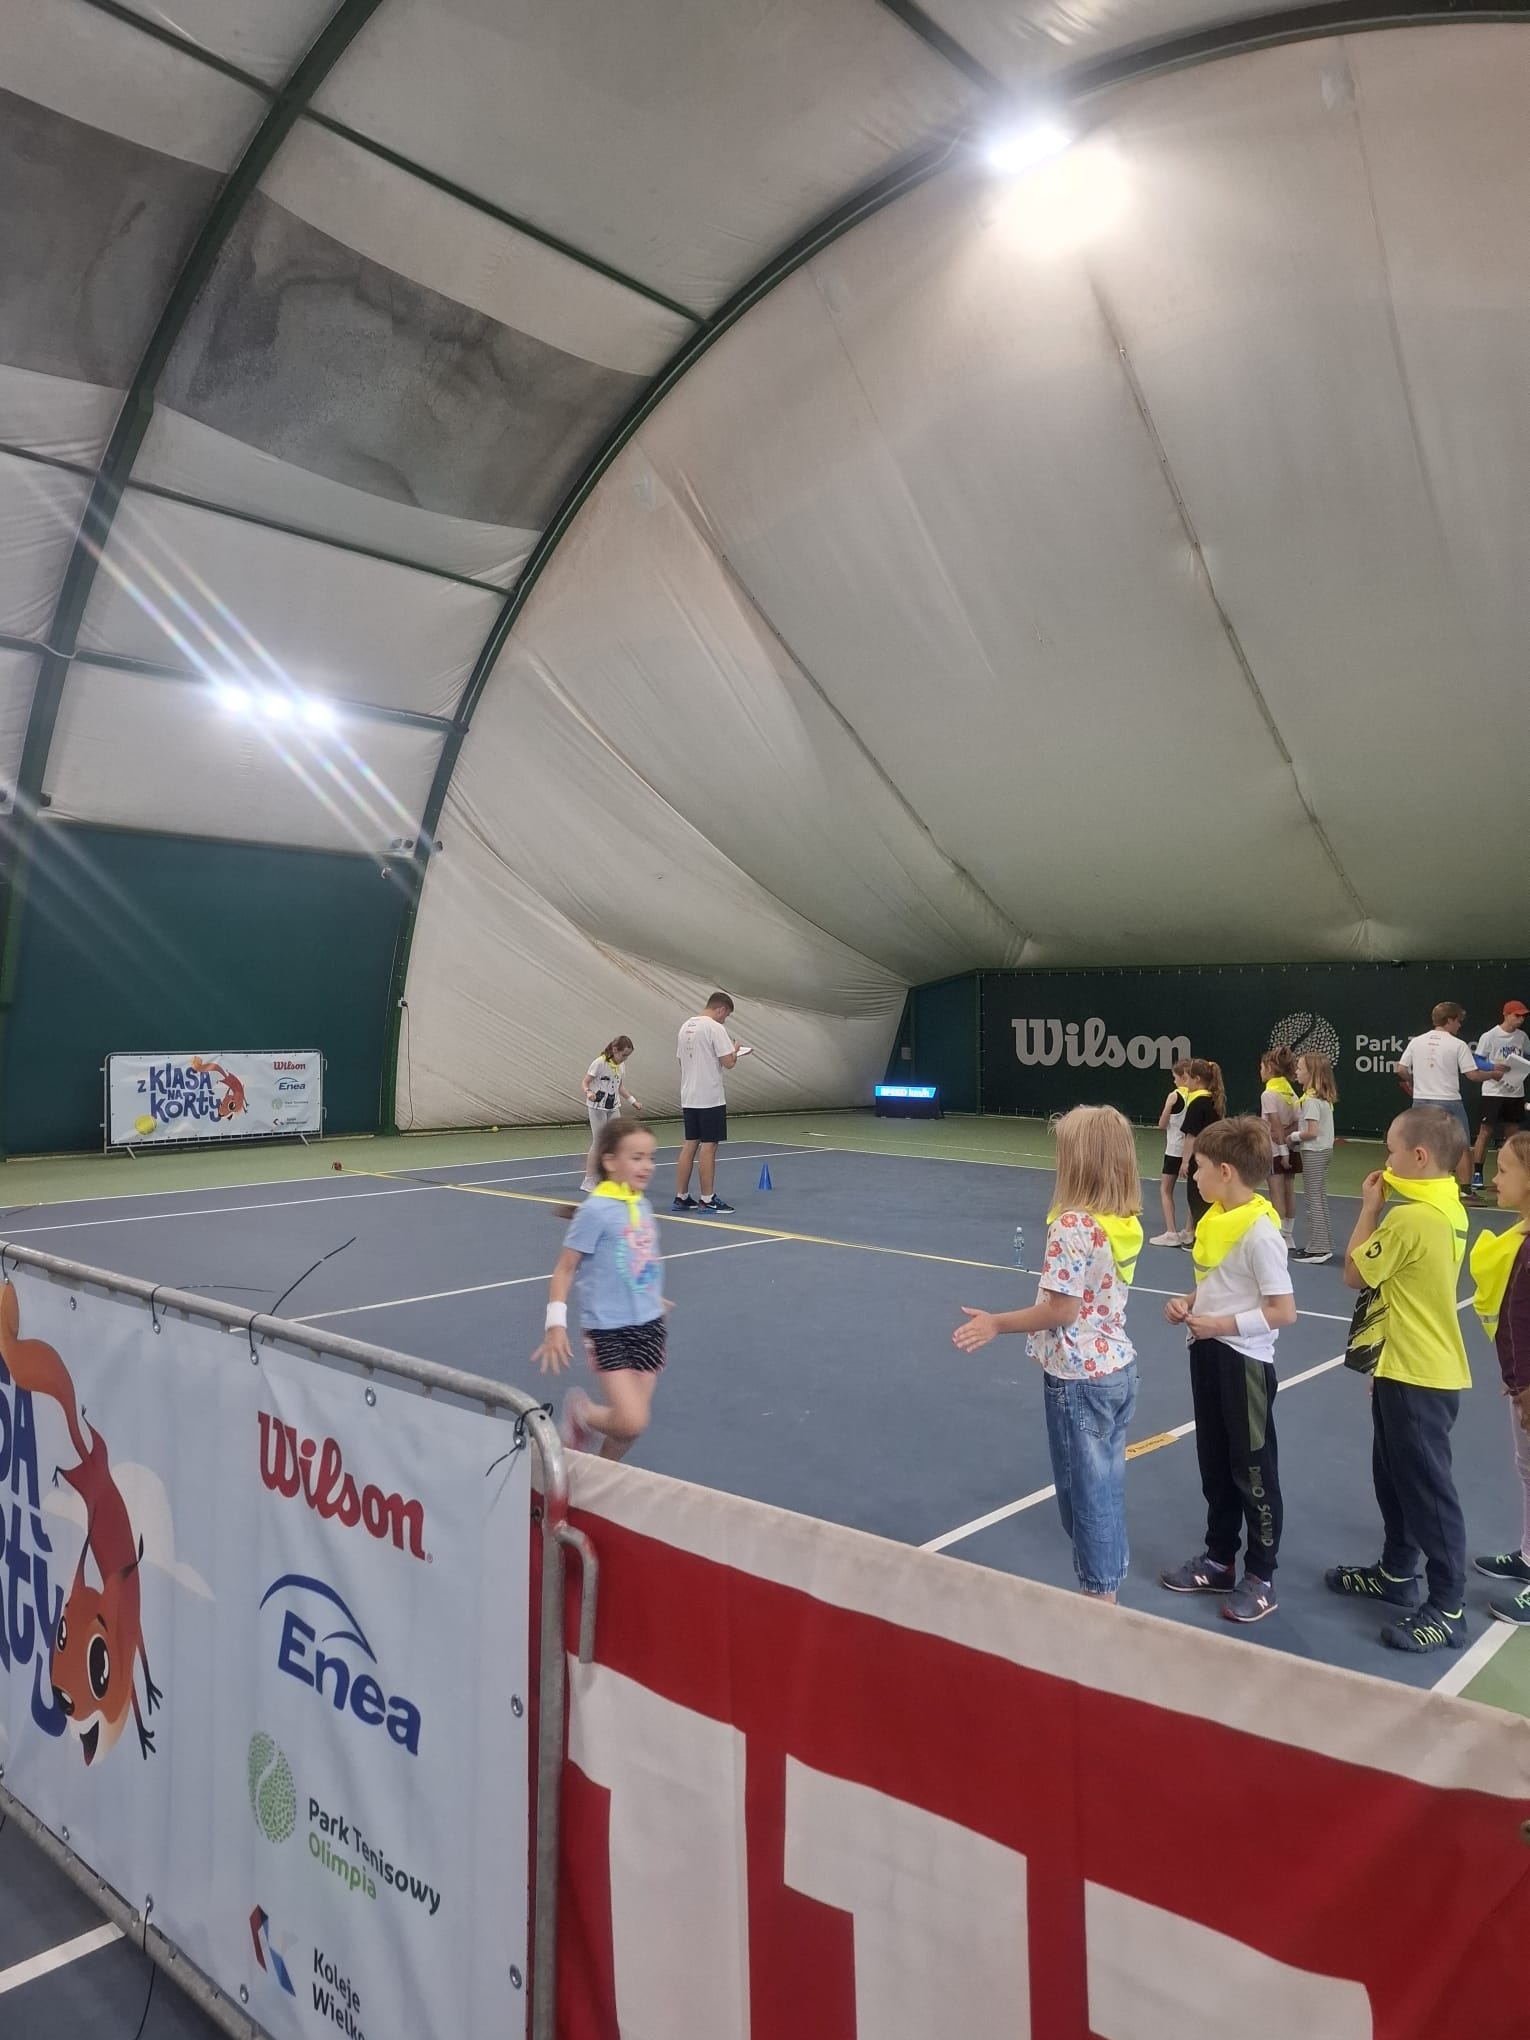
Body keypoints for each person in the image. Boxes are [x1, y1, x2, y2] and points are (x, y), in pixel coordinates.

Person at [952, 1106, 1142, 1602]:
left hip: (1078, 1380)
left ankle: (1098, 1602)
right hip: (1116, 1370)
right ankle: (1108, 1586)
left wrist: (996, 1323)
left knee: (1085, 1501)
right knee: (1104, 1490)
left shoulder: (1073, 1226)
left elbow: (1061, 1309)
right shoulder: (1120, 1221)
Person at [1328, 1107, 1472, 1652]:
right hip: (1402, 1366)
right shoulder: (1447, 1205)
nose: (1384, 1160)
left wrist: (1370, 1209)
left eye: (1390, 1150)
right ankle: (1395, 1572)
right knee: (1394, 1477)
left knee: (1428, 1493)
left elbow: (1354, 1272)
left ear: (1418, 1156)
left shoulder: (1410, 1220)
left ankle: (1448, 1607)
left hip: (1418, 1374)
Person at [1160, 1116, 1295, 1623]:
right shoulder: (1218, 1220)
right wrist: (1188, 1302)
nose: (1191, 1175)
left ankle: (1261, 1576)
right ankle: (1219, 1559)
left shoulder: (1260, 1234)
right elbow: (1217, 1282)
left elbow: (1283, 1311)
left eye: (1197, 1167)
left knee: (1252, 1471)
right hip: (1208, 1352)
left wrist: (1220, 1324)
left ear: (1225, 1171)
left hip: (1245, 1364)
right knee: (1214, 1463)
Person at [535, 1118, 668, 1460]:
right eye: (637, 1157)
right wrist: (555, 1325)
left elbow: (640, 1259)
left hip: (650, 1327)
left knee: (628, 1428)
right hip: (609, 1330)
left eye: (650, 1158)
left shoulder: (640, 1204)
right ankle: (582, 1413)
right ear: (610, 1161)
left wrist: (651, 1296)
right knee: (633, 1419)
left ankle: (599, 1476)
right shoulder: (594, 1211)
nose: (647, 1166)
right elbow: (564, 1270)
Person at [1469, 1129, 1530, 1625]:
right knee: (1526, 1467)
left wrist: (1527, 1384)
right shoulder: (1521, 1238)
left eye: (1505, 1170)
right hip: (1521, 1381)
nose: (1494, 1178)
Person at [1394, 1001, 1504, 1191]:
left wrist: (1413, 1082)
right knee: (1460, 1146)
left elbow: (1401, 1069)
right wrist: (1493, 1075)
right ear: (1450, 1020)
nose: (1459, 1025)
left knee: (1422, 1145)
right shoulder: (1457, 1044)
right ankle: (1466, 1191)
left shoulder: (1417, 1041)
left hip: (1421, 1101)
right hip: (1449, 1102)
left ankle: (1421, 1186)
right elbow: (1473, 1075)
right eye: (1458, 1021)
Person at [674, 992, 745, 1214]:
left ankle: (681, 1197)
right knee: (709, 1145)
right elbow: (728, 1062)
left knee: (690, 1143)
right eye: (726, 1015)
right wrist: (735, 1051)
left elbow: (681, 1060)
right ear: (721, 1009)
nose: (725, 1019)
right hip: (710, 1097)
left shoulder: (685, 1026)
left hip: (689, 1095)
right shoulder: (715, 1028)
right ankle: (707, 1199)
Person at [1469, 1000, 1530, 1191]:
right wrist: (1493, 1067)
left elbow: (1527, 1057)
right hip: (1493, 1092)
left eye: (1523, 1016)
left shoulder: (1522, 1037)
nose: (1521, 1019)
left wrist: (1521, 1067)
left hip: (1515, 1092)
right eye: (1517, 1015)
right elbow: (1477, 1060)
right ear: (1506, 1015)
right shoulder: (1490, 1036)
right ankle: (1477, 1174)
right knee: (1485, 1132)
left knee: (1512, 1136)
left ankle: (1508, 1174)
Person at [1291, 1051, 1338, 1264]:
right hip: (1323, 1151)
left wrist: (1293, 1137)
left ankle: (1319, 1249)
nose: (1296, 1071)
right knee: (1318, 1198)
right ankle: (1322, 1244)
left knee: (1313, 1200)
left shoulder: (1310, 1101)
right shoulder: (1321, 1098)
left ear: (1311, 1073)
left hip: (1314, 1152)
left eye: (1300, 1068)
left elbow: (1311, 1132)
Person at [580, 1035, 640, 1193]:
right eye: (623, 1055)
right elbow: (585, 1082)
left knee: (618, 1140)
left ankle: (613, 1177)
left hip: (613, 1106)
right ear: (614, 1050)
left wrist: (632, 1100)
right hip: (597, 1108)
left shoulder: (621, 1066)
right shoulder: (599, 1063)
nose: (625, 1059)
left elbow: (619, 1086)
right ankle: (589, 1180)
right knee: (599, 1142)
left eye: (627, 1056)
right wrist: (588, 1092)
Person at [1176, 1059, 1226, 1245]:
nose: (1185, 1082)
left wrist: (1185, 1161)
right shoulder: (1214, 1101)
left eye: (1188, 1079)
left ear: (1197, 1079)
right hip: (1214, 1155)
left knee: (1196, 1197)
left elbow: (1191, 1136)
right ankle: (1200, 1234)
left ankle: (1202, 1238)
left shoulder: (1197, 1103)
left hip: (1199, 1158)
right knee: (1207, 1197)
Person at [1150, 1060, 1194, 1247]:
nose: (1174, 1081)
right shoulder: (1198, 1095)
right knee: (1193, 1191)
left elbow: (1162, 1124)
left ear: (1183, 1077)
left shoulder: (1174, 1096)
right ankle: (1189, 1231)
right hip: (1192, 1151)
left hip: (1175, 1150)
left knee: (1166, 1189)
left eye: (1175, 1077)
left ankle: (1171, 1232)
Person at [1259, 1047, 1301, 1245]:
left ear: (1269, 1068)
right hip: (1292, 1147)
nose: (1260, 1072)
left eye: (1261, 1068)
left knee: (1276, 1192)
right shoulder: (1291, 1093)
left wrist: (1282, 1150)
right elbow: (1298, 1121)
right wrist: (1287, 1137)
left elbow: (1275, 1124)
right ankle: (1288, 1235)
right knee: (1288, 1191)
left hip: (1277, 1151)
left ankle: (1280, 1237)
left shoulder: (1268, 1094)